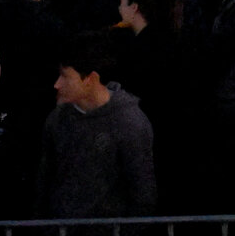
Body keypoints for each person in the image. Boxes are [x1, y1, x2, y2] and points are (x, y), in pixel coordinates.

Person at [36, 28, 157, 217]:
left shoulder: (129, 123)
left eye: (66, 76)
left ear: (90, 79)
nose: (57, 84)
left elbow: (143, 195)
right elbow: (44, 184)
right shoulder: (57, 120)